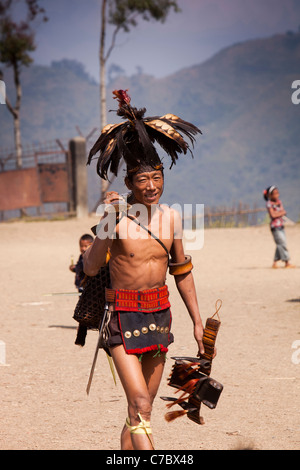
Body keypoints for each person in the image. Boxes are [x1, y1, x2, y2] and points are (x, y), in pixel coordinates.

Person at [83, 89, 207, 450]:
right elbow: (92, 268)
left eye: (157, 177)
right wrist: (109, 220)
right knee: (140, 404)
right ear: (129, 184)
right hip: (120, 317)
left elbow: (182, 271)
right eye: (143, 180)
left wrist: (198, 323)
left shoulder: (172, 218)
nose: (151, 186)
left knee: (141, 410)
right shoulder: (115, 219)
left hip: (160, 316)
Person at [263, 186, 295, 268]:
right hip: (275, 227)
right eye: (275, 193)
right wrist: (281, 213)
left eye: (278, 193)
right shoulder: (269, 204)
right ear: (270, 195)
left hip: (281, 225)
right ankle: (287, 261)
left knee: (280, 244)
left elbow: (281, 212)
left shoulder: (279, 202)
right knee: (282, 243)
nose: (277, 195)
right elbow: (273, 215)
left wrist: (280, 213)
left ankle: (275, 263)